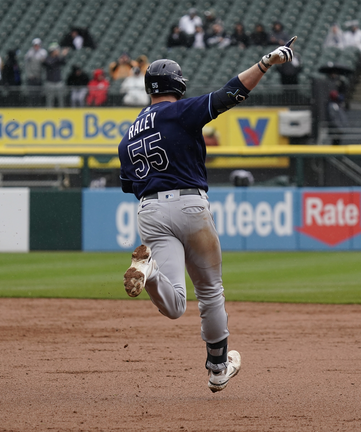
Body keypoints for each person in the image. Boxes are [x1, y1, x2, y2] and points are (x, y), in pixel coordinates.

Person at [117, 38, 296, 393]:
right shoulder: (180, 112)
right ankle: (217, 368)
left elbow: (128, 184)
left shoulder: (128, 134)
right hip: (189, 204)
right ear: (177, 85)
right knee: (211, 293)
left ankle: (149, 271)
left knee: (175, 304)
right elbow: (231, 93)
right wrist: (265, 62)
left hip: (149, 211)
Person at [43, 43, 68, 107]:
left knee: (61, 100)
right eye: (56, 50)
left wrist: (63, 56)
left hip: (58, 82)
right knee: (50, 100)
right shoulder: (47, 59)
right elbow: (50, 63)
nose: (58, 51)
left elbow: (64, 62)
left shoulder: (58, 59)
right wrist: (61, 56)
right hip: (50, 82)